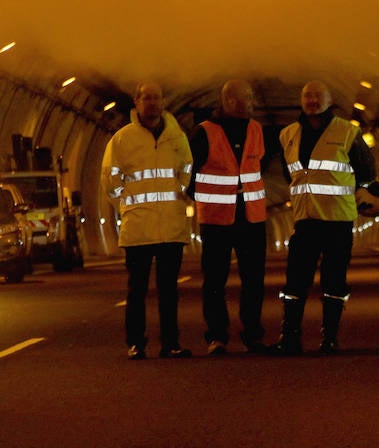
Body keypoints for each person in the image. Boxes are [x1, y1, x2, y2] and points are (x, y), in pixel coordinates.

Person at [272, 80, 378, 355]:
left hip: (337, 219)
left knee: (334, 280)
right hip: (305, 219)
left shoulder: (347, 132)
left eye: (319, 96)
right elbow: (290, 173)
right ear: (301, 100)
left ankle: (330, 338)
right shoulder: (288, 135)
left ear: (330, 100)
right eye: (307, 96)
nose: (312, 100)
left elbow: (367, 171)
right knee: (295, 279)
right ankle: (290, 336)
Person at [101, 81, 194, 360]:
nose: (152, 103)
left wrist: (179, 195)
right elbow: (110, 179)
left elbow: (187, 170)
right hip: (138, 226)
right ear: (137, 103)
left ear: (163, 102)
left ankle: (170, 344)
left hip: (170, 224)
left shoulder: (178, 137)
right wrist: (126, 206)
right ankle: (136, 343)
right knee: (136, 290)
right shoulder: (122, 139)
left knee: (169, 291)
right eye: (147, 98)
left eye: (157, 98)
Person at [188, 79, 269, 356]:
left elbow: (259, 166)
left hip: (252, 217)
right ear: (228, 101)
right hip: (216, 219)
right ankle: (217, 336)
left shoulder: (257, 129)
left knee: (254, 280)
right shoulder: (203, 133)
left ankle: (253, 334)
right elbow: (189, 174)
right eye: (244, 98)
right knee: (214, 281)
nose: (250, 103)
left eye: (250, 98)